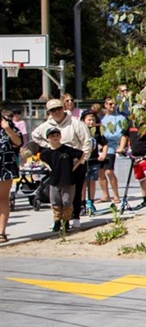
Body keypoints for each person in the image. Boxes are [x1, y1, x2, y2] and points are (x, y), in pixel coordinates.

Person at [33, 98, 92, 229]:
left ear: (63, 108)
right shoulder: (46, 126)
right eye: (53, 110)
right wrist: (49, 145)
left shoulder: (75, 123)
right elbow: (35, 136)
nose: (57, 112)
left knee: (74, 191)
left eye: (59, 108)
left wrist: (83, 160)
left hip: (75, 160)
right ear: (49, 112)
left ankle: (75, 216)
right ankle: (58, 219)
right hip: (57, 163)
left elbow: (87, 142)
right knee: (57, 194)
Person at [40, 127, 84, 234]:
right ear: (48, 139)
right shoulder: (47, 152)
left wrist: (74, 167)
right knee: (55, 202)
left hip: (68, 179)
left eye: (57, 135)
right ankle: (56, 221)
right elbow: (41, 158)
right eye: (52, 136)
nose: (55, 138)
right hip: (54, 180)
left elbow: (82, 154)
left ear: (60, 136)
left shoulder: (67, 150)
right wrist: (49, 167)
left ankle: (66, 221)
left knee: (67, 202)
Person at [0, 108, 24, 242]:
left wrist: (7, 128)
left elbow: (18, 142)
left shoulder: (8, 125)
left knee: (2, 199)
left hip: (4, 167)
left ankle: (1, 232)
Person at [81, 111, 106, 216]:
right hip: (83, 160)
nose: (91, 122)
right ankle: (82, 203)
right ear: (83, 121)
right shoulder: (81, 131)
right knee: (83, 183)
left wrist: (103, 154)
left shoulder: (97, 132)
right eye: (89, 120)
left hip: (94, 160)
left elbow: (104, 143)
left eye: (93, 120)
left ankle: (90, 201)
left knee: (92, 181)